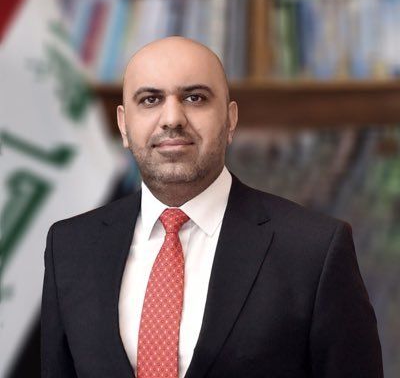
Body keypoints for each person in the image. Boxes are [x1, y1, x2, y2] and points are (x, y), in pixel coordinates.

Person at [41, 37, 383, 378]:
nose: (172, 118)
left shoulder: (314, 250)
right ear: (123, 125)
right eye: (150, 100)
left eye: (195, 98)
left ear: (230, 120)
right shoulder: (70, 248)